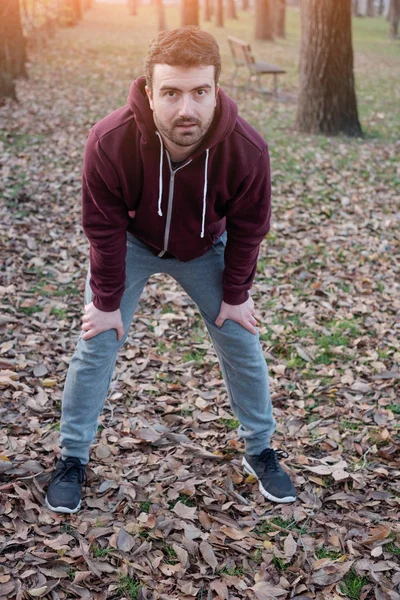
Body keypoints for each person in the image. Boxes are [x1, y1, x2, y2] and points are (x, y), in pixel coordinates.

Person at [45, 26, 296, 514]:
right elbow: (102, 228)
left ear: (216, 89)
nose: (187, 109)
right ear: (148, 91)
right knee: (96, 340)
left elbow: (250, 228)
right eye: (172, 93)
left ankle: (261, 450)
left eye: (200, 92)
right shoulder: (109, 141)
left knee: (241, 338)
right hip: (133, 245)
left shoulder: (247, 149)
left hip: (206, 246)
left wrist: (237, 293)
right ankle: (71, 457)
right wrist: (106, 301)